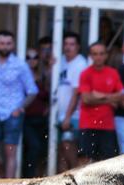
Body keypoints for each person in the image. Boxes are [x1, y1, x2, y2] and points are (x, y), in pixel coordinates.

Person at [0, 30, 38, 178]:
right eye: (2, 43)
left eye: (8, 43)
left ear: (13, 45)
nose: (5, 46)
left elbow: (32, 90)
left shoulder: (20, 65)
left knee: (10, 153)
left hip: (13, 113)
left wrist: (20, 108)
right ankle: (1, 172)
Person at [77, 41, 124, 163]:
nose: (98, 57)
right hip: (88, 123)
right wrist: (111, 99)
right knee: (84, 161)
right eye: (95, 54)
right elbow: (86, 99)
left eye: (101, 54)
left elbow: (122, 96)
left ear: (106, 55)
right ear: (90, 56)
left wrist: (100, 95)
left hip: (107, 124)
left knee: (108, 162)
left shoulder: (113, 73)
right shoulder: (85, 74)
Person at [54, 32, 88, 172]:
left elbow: (76, 93)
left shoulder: (80, 63)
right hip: (58, 113)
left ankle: (75, 176)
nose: (68, 47)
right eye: (66, 44)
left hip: (74, 114)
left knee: (69, 145)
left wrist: (68, 116)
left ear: (78, 47)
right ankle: (61, 181)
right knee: (61, 150)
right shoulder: (60, 60)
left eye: (72, 44)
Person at [22, 47, 50, 178]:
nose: (32, 60)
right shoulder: (21, 76)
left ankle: (39, 177)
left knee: (42, 150)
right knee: (33, 147)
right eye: (28, 57)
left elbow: (50, 95)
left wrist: (49, 107)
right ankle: (28, 177)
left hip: (42, 119)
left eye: (35, 57)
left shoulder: (43, 76)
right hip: (26, 118)